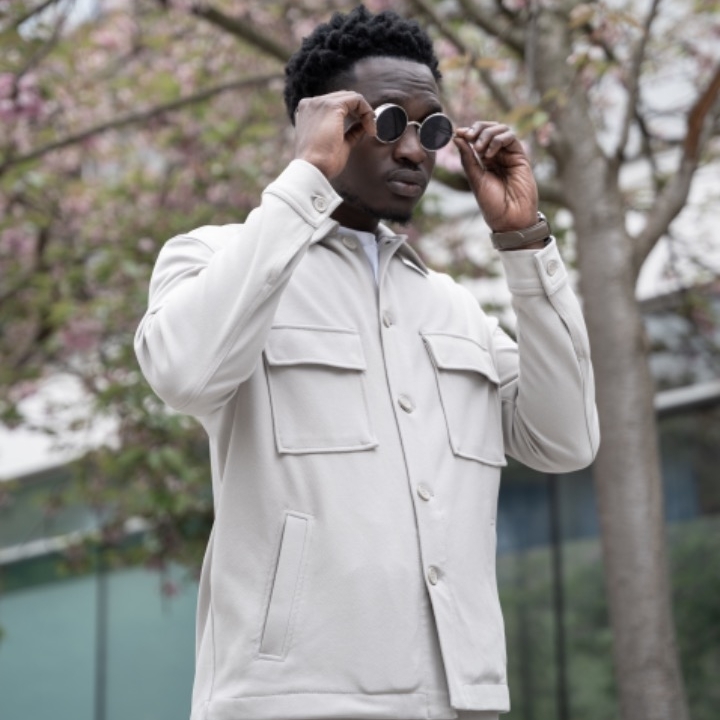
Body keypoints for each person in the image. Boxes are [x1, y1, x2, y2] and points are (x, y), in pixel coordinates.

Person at [135, 5, 599, 720]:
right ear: (325, 123)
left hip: (461, 702)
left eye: (432, 129)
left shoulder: (453, 307)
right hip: (290, 701)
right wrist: (305, 177)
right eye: (387, 122)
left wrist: (526, 244)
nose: (414, 150)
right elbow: (182, 375)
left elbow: (566, 439)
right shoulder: (218, 259)